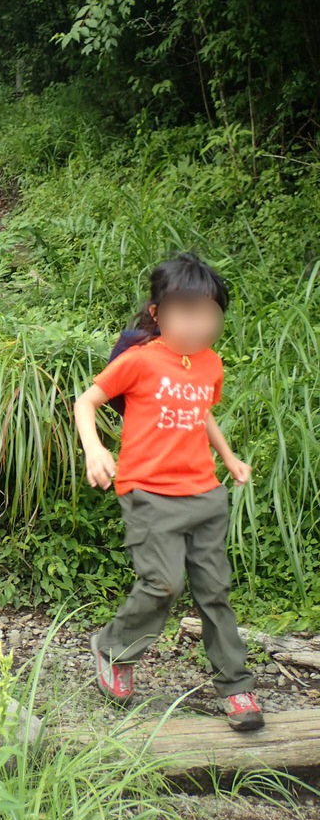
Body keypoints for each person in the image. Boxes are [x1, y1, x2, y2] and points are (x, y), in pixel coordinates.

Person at [73, 252, 264, 731]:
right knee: (163, 583)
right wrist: (94, 450)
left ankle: (236, 688)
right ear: (158, 313)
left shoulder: (208, 363)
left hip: (204, 494)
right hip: (149, 494)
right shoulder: (138, 361)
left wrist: (229, 456)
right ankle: (114, 649)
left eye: (208, 314)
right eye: (186, 311)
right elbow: (86, 401)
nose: (198, 324)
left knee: (215, 592)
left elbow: (202, 412)